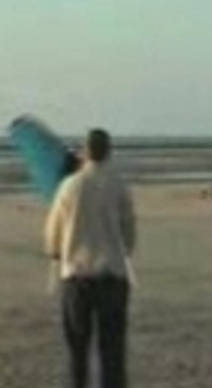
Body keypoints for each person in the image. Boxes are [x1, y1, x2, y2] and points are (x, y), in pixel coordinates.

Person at [45, 128, 136, 388]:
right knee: (113, 353)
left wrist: (56, 253)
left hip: (77, 277)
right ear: (109, 151)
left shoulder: (69, 186)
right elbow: (129, 234)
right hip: (112, 276)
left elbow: (53, 235)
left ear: (85, 151)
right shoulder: (119, 184)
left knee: (77, 351)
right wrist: (120, 250)